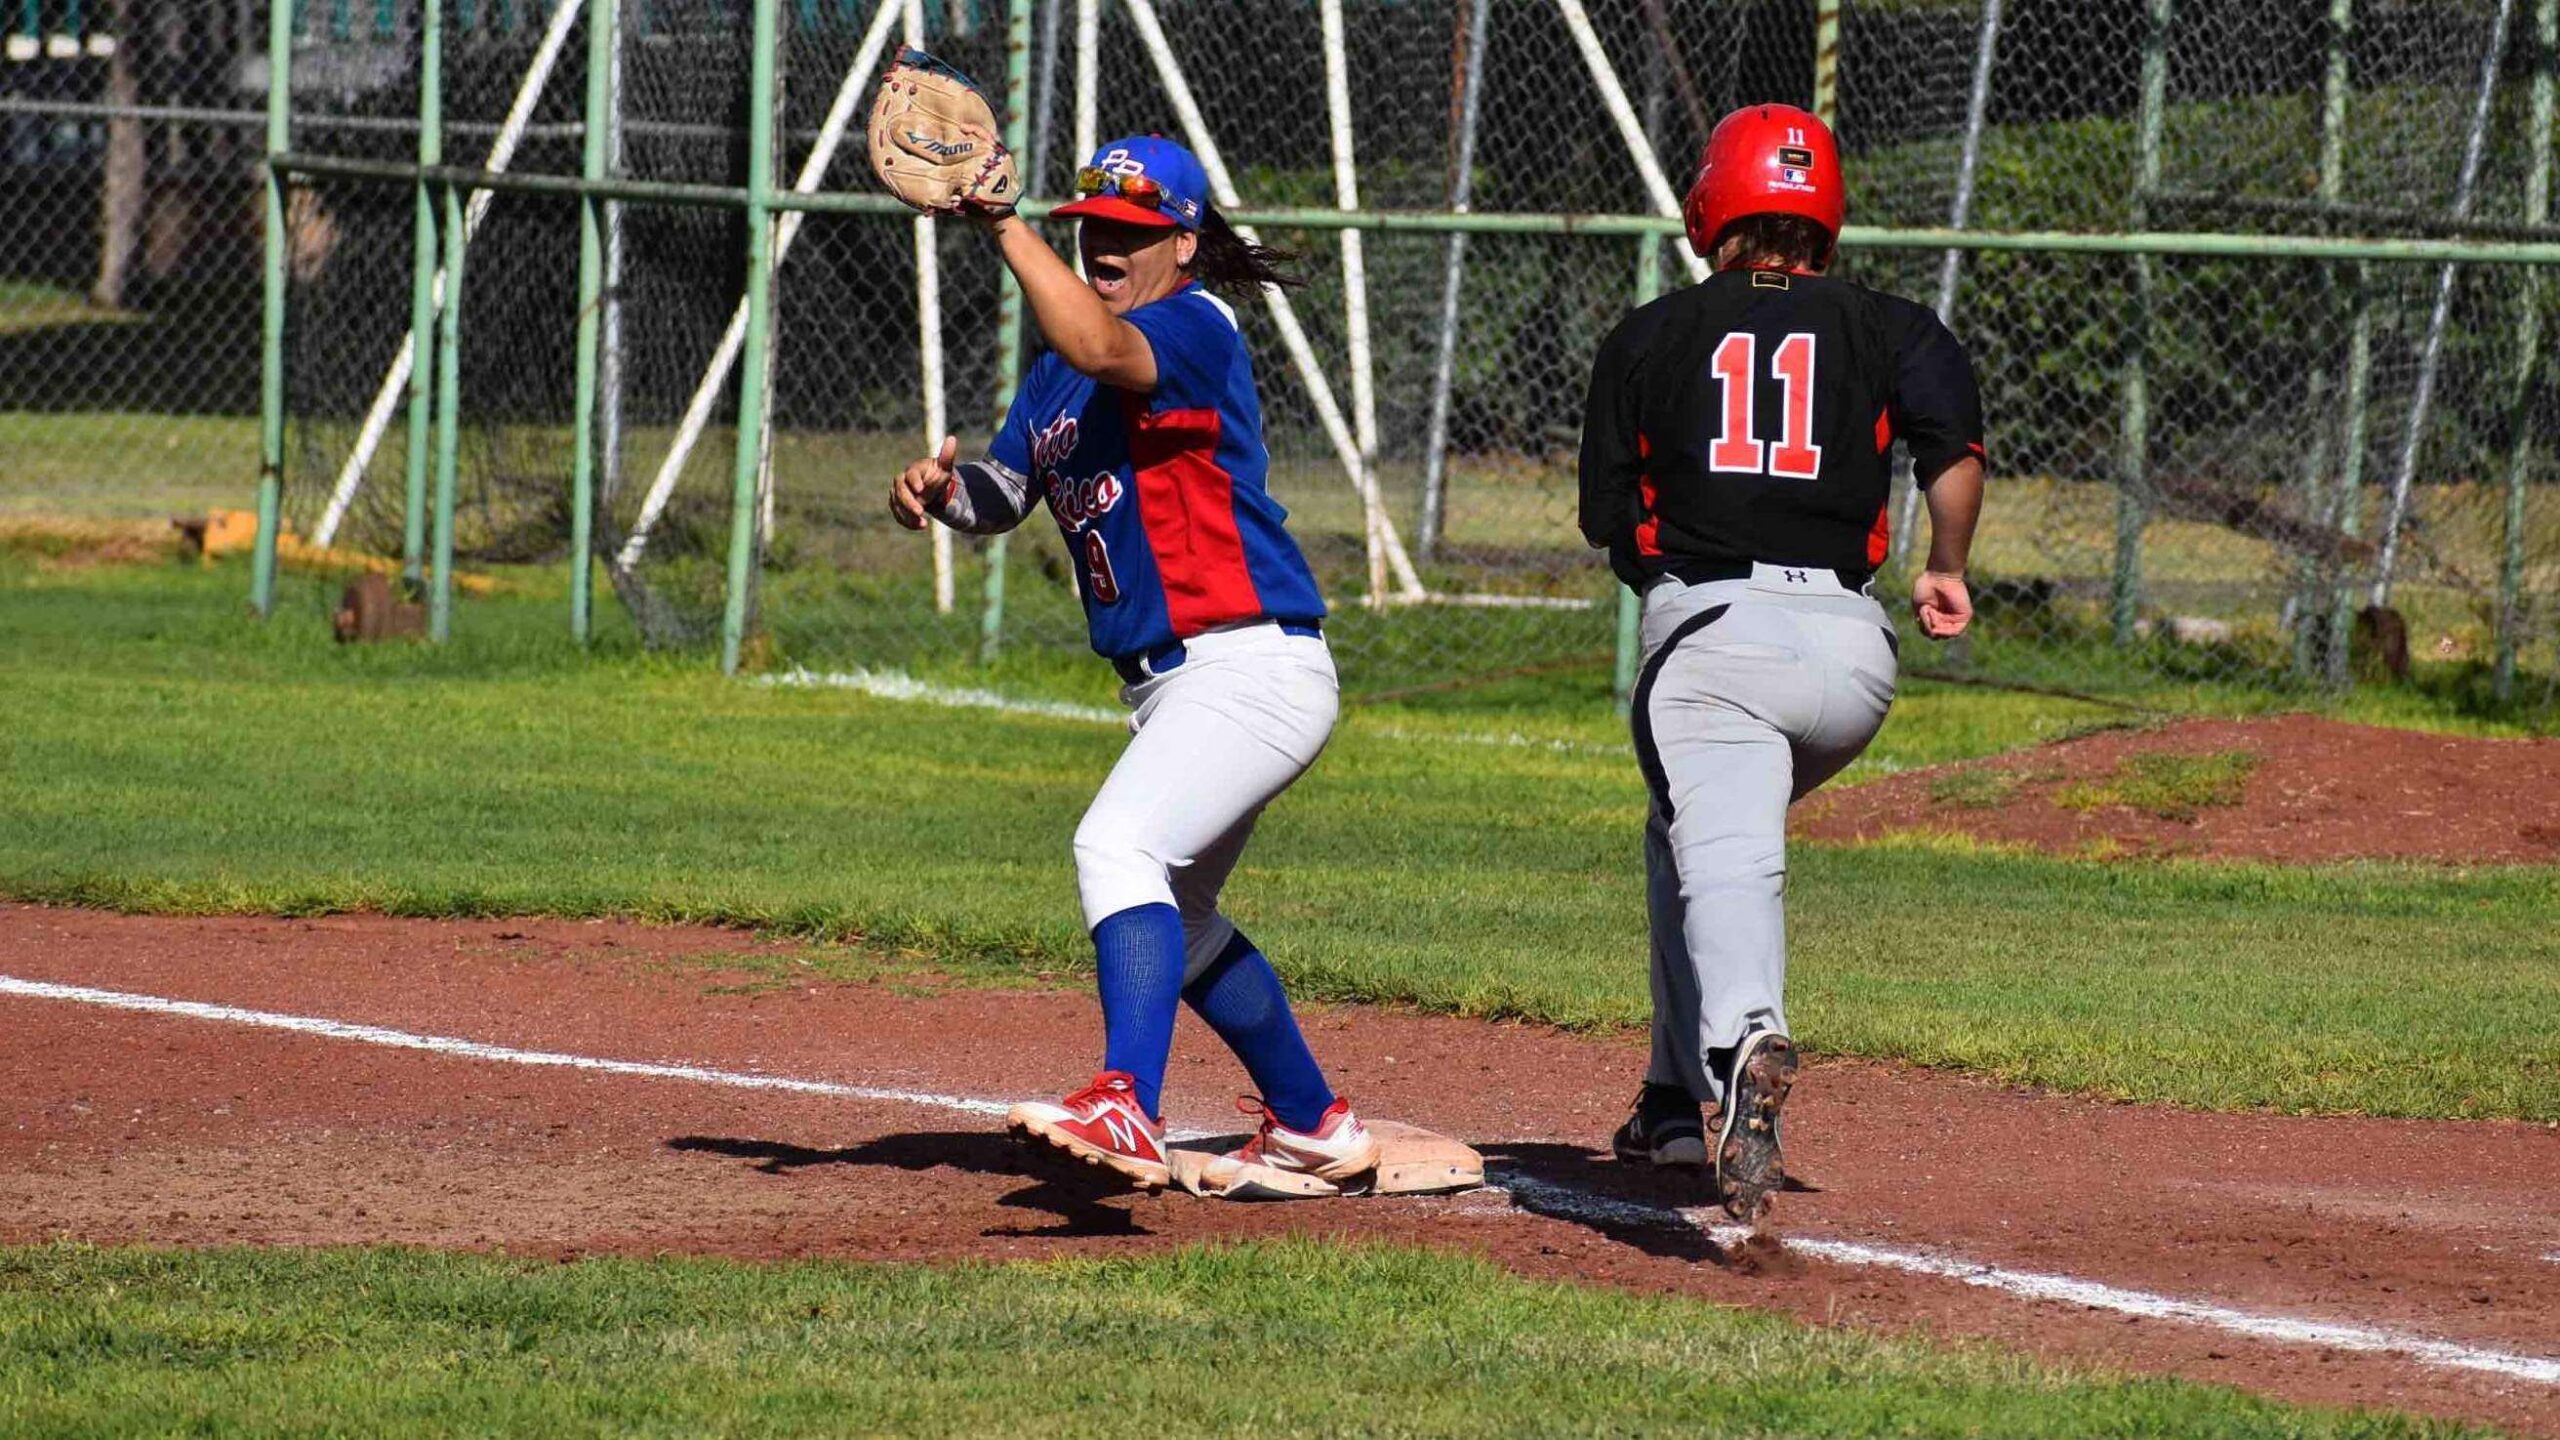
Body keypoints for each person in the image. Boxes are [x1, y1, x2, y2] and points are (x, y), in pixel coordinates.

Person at [889, 135, 1379, 1194]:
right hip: (1175, 685)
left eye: (1134, 232)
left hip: (1247, 664)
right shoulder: (1055, 373)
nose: (1109, 246)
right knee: (1185, 915)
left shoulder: (1193, 326)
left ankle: (1126, 1102)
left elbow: (1110, 347)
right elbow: (1006, 492)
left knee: (1115, 848)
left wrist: (1004, 225)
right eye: (1095, 230)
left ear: (1183, 245)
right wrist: (944, 493)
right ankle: (1314, 1126)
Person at [1577, 104, 1986, 1223]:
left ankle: (1741, 1044)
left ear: (1712, 204)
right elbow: (1953, 450)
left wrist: (1675, 579)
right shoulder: (1894, 324)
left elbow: (1608, 517)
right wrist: (1946, 564)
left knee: (1727, 858)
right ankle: (1666, 1102)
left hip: (1716, 640)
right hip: (1853, 659)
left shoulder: (1654, 332)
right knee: (1684, 835)